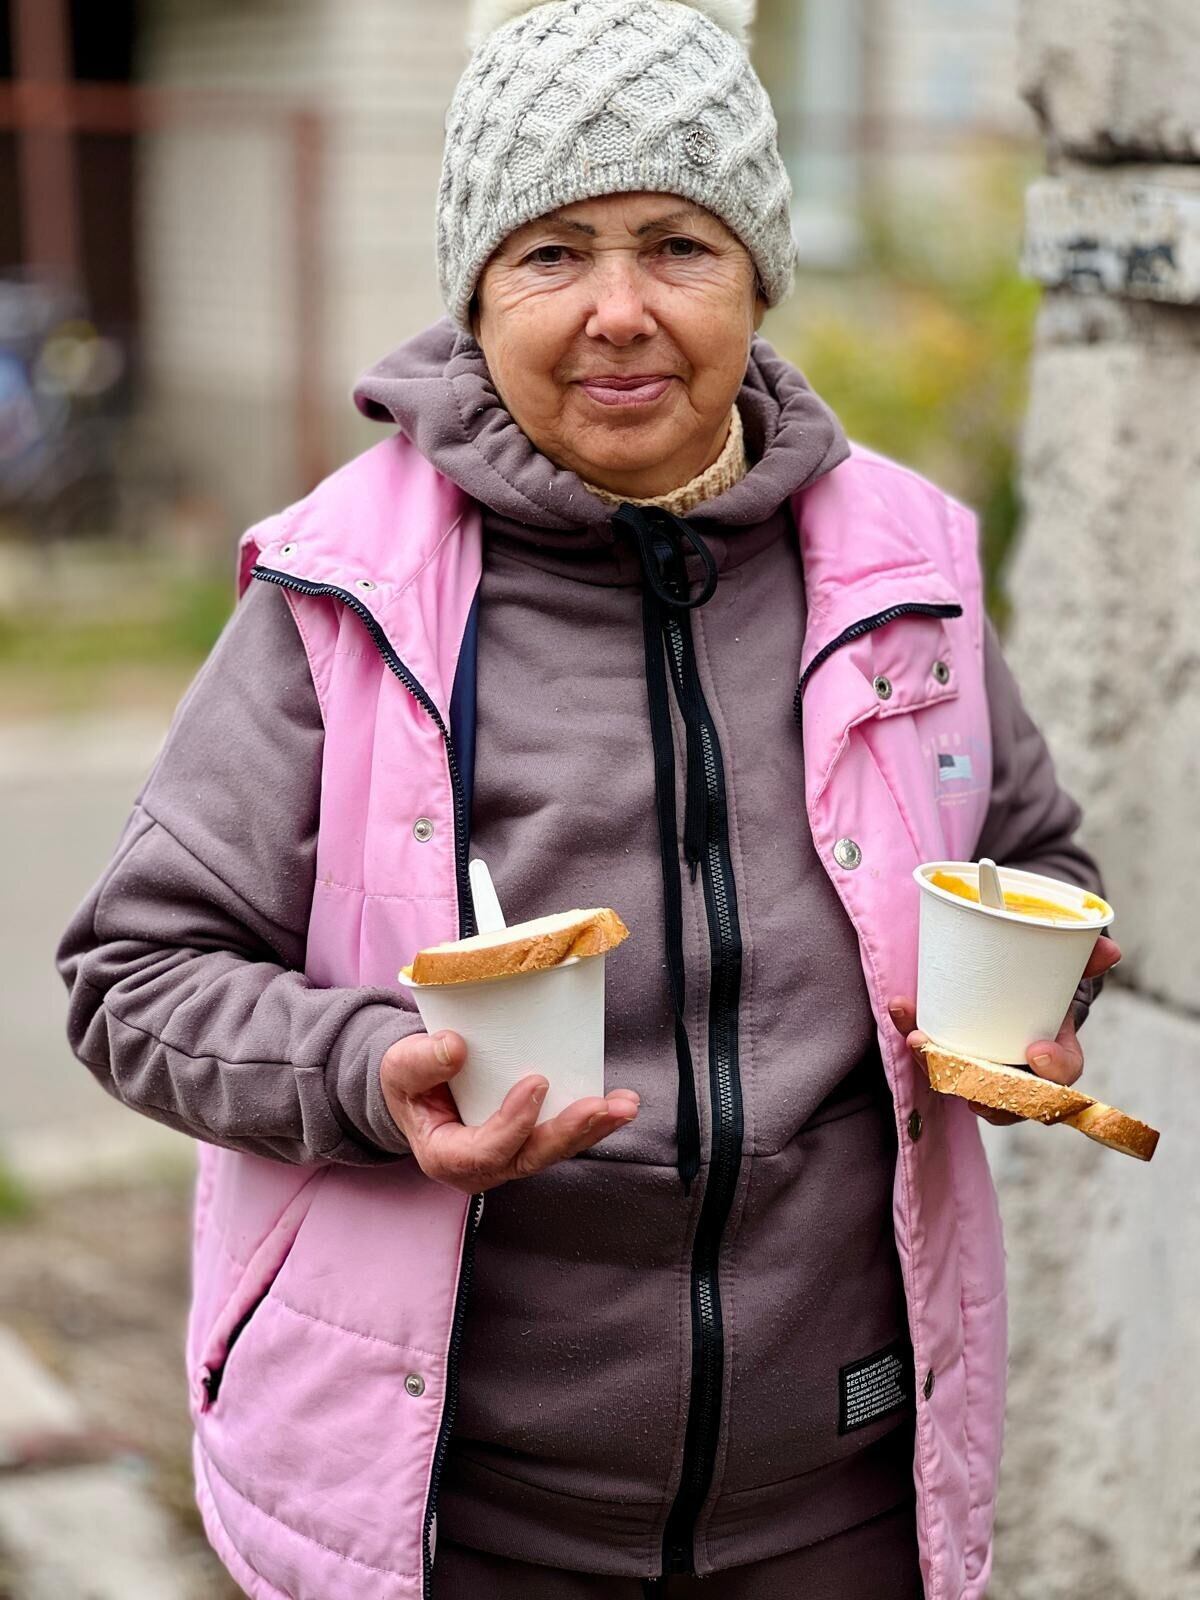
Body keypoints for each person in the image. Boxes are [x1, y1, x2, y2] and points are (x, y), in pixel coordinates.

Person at [57, 2, 1119, 1597]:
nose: (620, 311)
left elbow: (1030, 852)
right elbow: (131, 975)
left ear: (757, 279)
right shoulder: (343, 596)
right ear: (476, 296)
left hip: (840, 1489)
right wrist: (365, 1070)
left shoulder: (903, 566)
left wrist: (1040, 990)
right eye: (552, 253)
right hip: (458, 1505)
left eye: (677, 244)